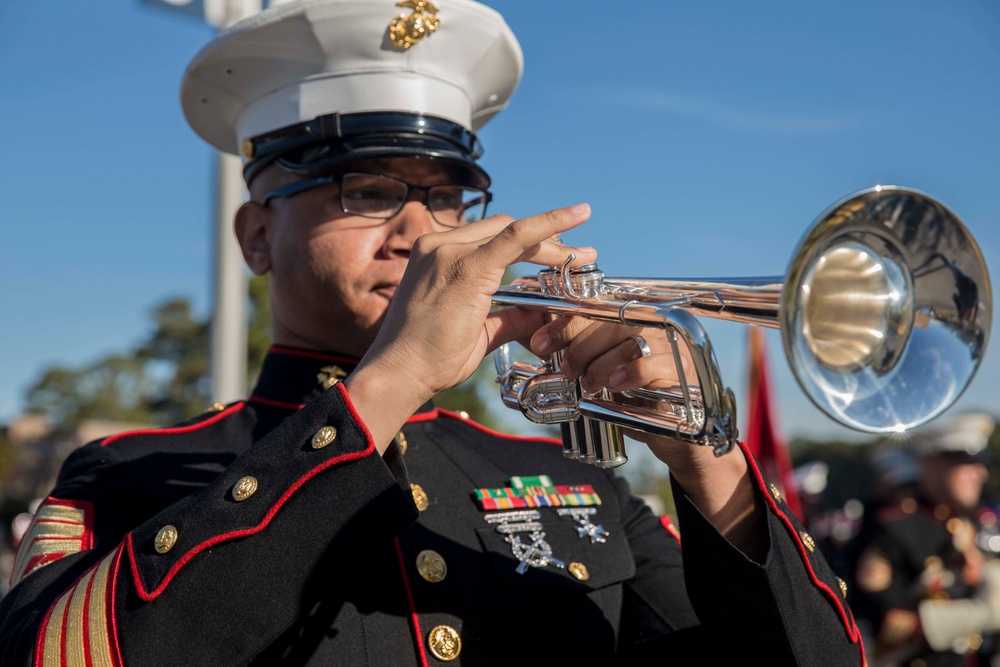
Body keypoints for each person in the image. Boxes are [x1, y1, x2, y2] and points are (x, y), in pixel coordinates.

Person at [0, 1, 864, 664]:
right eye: (365, 191)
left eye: (446, 196)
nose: (421, 230)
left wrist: (705, 458)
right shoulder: (127, 477)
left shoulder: (572, 480)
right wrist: (388, 383)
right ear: (257, 236)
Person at [847, 412, 1000, 666]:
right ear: (930, 464)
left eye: (981, 464)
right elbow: (891, 624)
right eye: (966, 463)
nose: (980, 474)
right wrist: (984, 614)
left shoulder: (970, 524)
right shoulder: (894, 527)